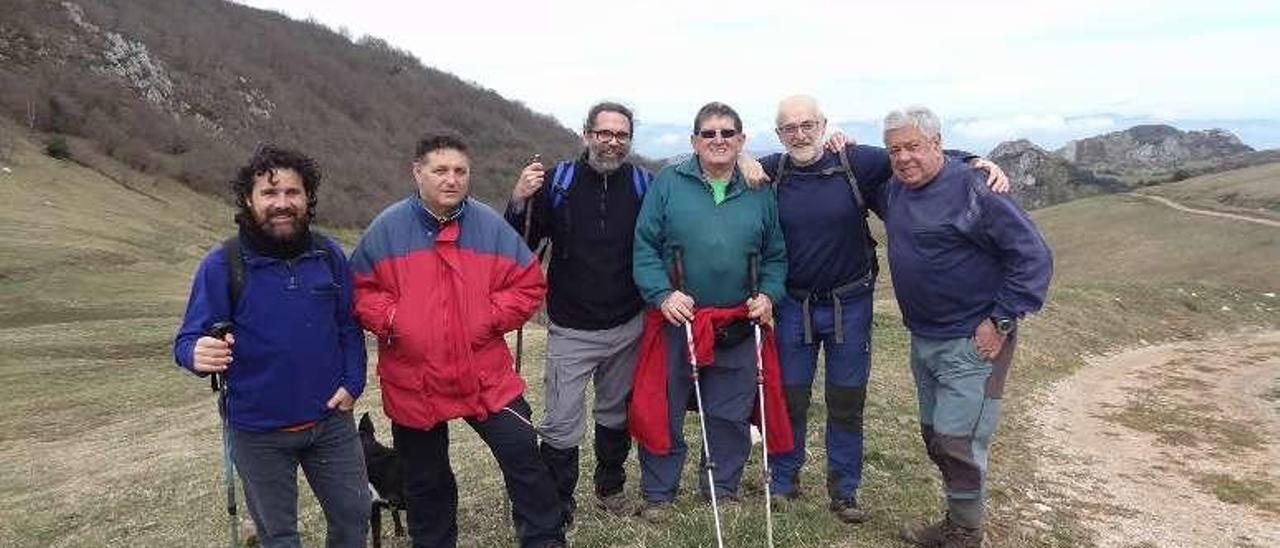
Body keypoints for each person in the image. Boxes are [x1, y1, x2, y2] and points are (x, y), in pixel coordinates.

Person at [756, 95, 1009, 523]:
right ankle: (783, 480)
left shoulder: (854, 161)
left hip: (850, 303)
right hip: (792, 306)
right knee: (788, 397)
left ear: (823, 124)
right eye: (789, 128)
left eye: (807, 124)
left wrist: (979, 160)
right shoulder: (771, 170)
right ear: (778, 134)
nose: (799, 134)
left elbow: (919, 154)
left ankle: (845, 490)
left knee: (847, 399)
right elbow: (719, 165)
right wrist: (745, 163)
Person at [350, 135, 566, 548]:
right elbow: (358, 289)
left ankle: (545, 540)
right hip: (415, 378)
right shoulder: (387, 228)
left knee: (524, 457)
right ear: (418, 172)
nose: (451, 179)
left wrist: (487, 317)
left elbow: (528, 283)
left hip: (484, 373)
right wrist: (395, 319)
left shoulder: (489, 226)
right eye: (440, 170)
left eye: (460, 171)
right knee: (425, 479)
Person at [173, 146, 370, 547]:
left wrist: (353, 382)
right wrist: (195, 354)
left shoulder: (328, 255)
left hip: (330, 422)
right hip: (257, 430)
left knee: (354, 520)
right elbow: (188, 340)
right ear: (249, 199)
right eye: (269, 194)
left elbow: (349, 326)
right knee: (279, 537)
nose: (282, 204)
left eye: (292, 193)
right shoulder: (223, 264)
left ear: (307, 198)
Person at [877, 106, 1053, 547]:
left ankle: (966, 533)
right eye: (895, 149)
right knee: (935, 435)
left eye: (914, 146)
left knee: (958, 441)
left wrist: (1001, 320)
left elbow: (1033, 257)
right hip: (925, 337)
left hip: (974, 342)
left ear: (936, 144)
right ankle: (957, 521)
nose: (903, 158)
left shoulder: (977, 189)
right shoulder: (896, 189)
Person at [629, 102, 790, 522]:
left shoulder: (759, 189)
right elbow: (645, 246)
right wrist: (662, 294)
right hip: (678, 320)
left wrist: (769, 295)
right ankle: (659, 493)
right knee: (665, 407)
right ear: (694, 141)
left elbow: (775, 254)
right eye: (708, 133)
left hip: (738, 322)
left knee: (730, 413)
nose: (717, 140)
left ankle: (721, 487)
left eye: (726, 133)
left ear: (740, 140)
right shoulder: (668, 183)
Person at [503, 102, 651, 520]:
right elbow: (522, 244)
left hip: (628, 321)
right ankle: (559, 500)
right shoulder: (557, 182)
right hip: (571, 325)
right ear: (587, 134)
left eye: (621, 135)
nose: (612, 142)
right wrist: (518, 199)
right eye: (604, 133)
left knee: (614, 413)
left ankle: (610, 488)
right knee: (562, 422)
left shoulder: (645, 184)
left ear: (629, 140)